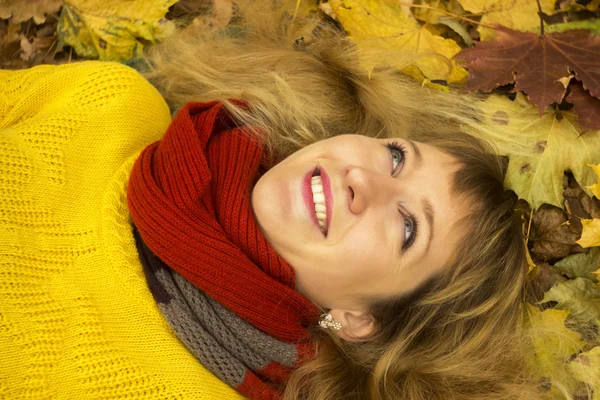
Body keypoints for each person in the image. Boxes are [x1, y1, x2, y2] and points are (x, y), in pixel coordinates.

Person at [0, 2, 549, 399]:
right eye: (397, 157)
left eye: (408, 227)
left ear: (359, 319)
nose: (365, 179)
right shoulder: (111, 102)